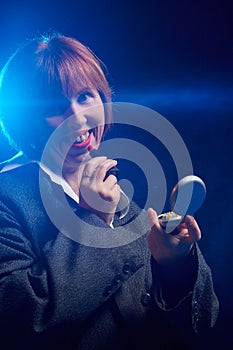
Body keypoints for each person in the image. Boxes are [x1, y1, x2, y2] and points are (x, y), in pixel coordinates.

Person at [0, 33, 219, 350]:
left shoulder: (113, 190)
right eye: (55, 107)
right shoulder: (8, 195)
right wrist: (94, 219)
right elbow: (19, 322)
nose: (77, 118)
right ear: (25, 119)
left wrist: (172, 264)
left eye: (85, 96)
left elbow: (203, 321)